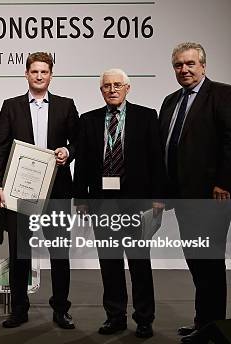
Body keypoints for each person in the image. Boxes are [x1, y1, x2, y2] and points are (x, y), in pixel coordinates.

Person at [159, 42, 231, 344]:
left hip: (214, 196)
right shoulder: (171, 101)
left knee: (209, 262)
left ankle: (213, 328)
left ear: (203, 65)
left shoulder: (225, 94)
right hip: (183, 198)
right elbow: (167, 148)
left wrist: (224, 182)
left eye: (190, 64)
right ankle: (203, 321)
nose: (184, 70)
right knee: (196, 260)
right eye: (178, 65)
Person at [0, 52, 78, 329]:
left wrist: (68, 151)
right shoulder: (11, 106)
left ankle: (61, 309)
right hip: (20, 191)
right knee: (20, 252)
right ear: (26, 74)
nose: (39, 76)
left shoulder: (66, 105)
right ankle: (19, 309)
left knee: (60, 253)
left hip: (57, 191)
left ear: (51, 75)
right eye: (34, 71)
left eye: (44, 71)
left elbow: (78, 141)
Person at [74, 68, 164, 338]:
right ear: (101, 90)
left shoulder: (146, 116)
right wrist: (81, 199)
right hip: (102, 203)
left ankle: (144, 318)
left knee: (139, 262)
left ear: (128, 88)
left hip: (138, 203)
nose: (112, 90)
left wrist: (159, 199)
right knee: (110, 263)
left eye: (117, 85)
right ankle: (115, 316)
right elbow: (83, 164)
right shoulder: (88, 120)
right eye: (107, 86)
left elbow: (157, 160)